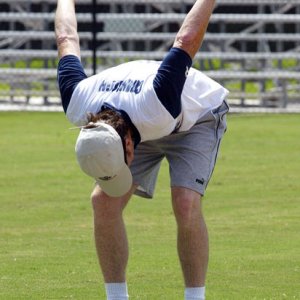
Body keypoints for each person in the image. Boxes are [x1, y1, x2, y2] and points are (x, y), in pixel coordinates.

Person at [55, 0, 229, 299]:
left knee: (185, 202)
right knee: (103, 202)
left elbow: (186, 39)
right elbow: (65, 39)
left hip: (194, 117)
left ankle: (195, 297)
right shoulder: (78, 103)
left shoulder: (157, 100)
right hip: (136, 123)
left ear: (127, 146)